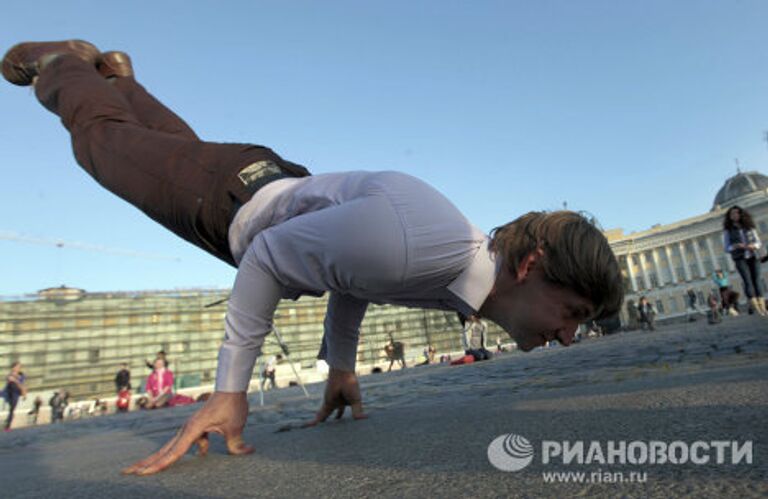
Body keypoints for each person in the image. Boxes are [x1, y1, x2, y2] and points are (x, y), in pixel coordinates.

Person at [1, 40, 623, 475]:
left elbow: (352, 278)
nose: (569, 336)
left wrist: (342, 368)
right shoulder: (419, 245)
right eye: (572, 312)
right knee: (104, 146)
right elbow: (269, 256)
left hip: (248, 184)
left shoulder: (453, 264)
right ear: (531, 265)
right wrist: (231, 392)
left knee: (164, 149)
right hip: (230, 204)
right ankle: (60, 64)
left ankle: (118, 79)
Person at [723, 206, 766, 316]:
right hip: (740, 258)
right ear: (730, 217)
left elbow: (758, 242)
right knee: (747, 281)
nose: (734, 215)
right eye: (732, 214)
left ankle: (762, 307)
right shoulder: (728, 230)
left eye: (736, 213)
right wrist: (736, 246)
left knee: (757, 280)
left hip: (753, 255)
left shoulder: (749, 227)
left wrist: (754, 245)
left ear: (741, 214)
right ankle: (756, 308)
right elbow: (727, 248)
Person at [2, 362, 27, 431]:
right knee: (11, 410)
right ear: (13, 368)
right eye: (17, 367)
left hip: (15, 394)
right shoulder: (10, 375)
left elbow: (23, 385)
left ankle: (7, 426)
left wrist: (24, 393)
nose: (18, 368)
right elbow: (9, 382)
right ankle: (7, 424)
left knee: (12, 409)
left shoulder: (21, 375)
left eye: (19, 367)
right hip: (8, 393)